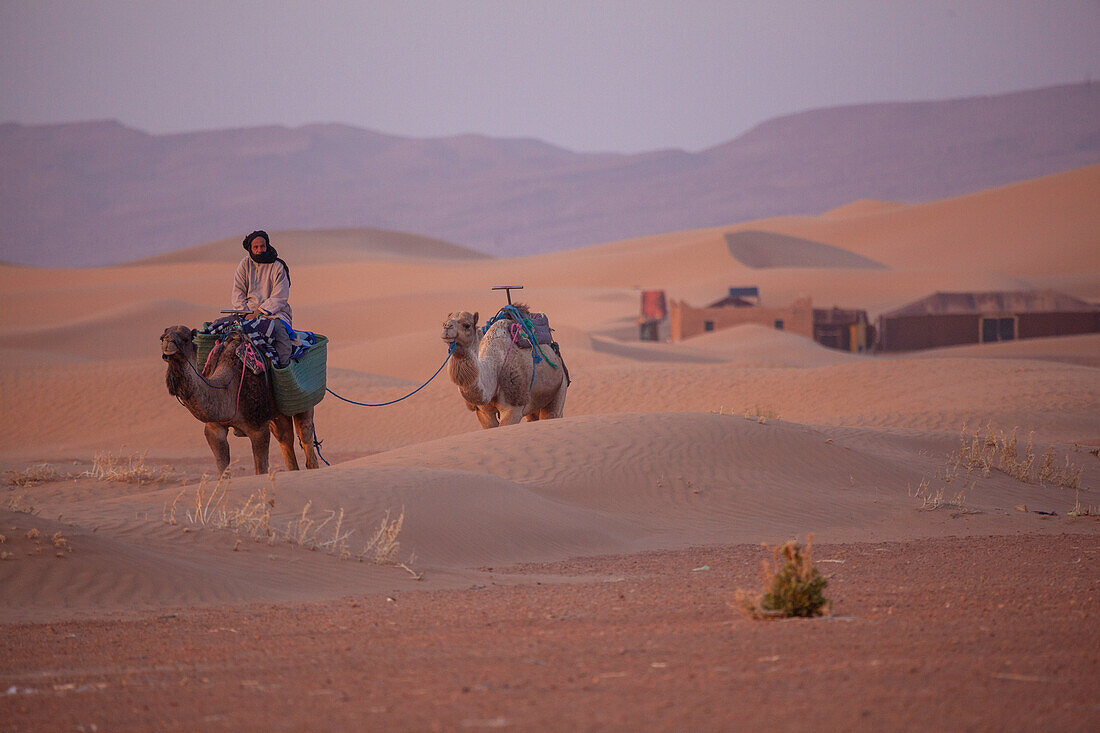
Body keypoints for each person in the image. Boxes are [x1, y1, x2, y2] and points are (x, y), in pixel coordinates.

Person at [231, 230, 294, 367]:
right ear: (250, 249)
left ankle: (283, 379)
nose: (260, 250)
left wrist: (259, 312)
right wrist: (245, 312)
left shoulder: (278, 266)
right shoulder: (245, 265)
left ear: (267, 245)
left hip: (274, 314)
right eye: (256, 247)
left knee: (282, 342)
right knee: (220, 334)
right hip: (246, 313)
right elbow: (238, 292)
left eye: (263, 246)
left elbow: (280, 297)